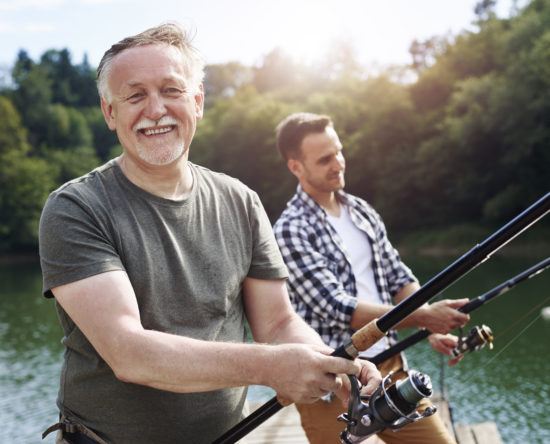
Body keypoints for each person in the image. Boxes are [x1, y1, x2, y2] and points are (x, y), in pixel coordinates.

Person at [38, 25, 381, 444]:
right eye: (135, 95)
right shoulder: (75, 208)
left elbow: (277, 324)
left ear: (197, 101)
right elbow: (130, 354)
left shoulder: (242, 201)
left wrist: (326, 361)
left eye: (171, 90)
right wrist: (274, 367)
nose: (156, 109)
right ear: (110, 113)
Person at [273, 112, 471, 444]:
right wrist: (425, 317)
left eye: (338, 151)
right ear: (296, 167)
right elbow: (338, 307)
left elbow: (397, 277)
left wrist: (428, 326)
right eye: (325, 159)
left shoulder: (362, 212)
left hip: (390, 368)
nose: (338, 163)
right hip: (331, 381)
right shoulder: (290, 230)